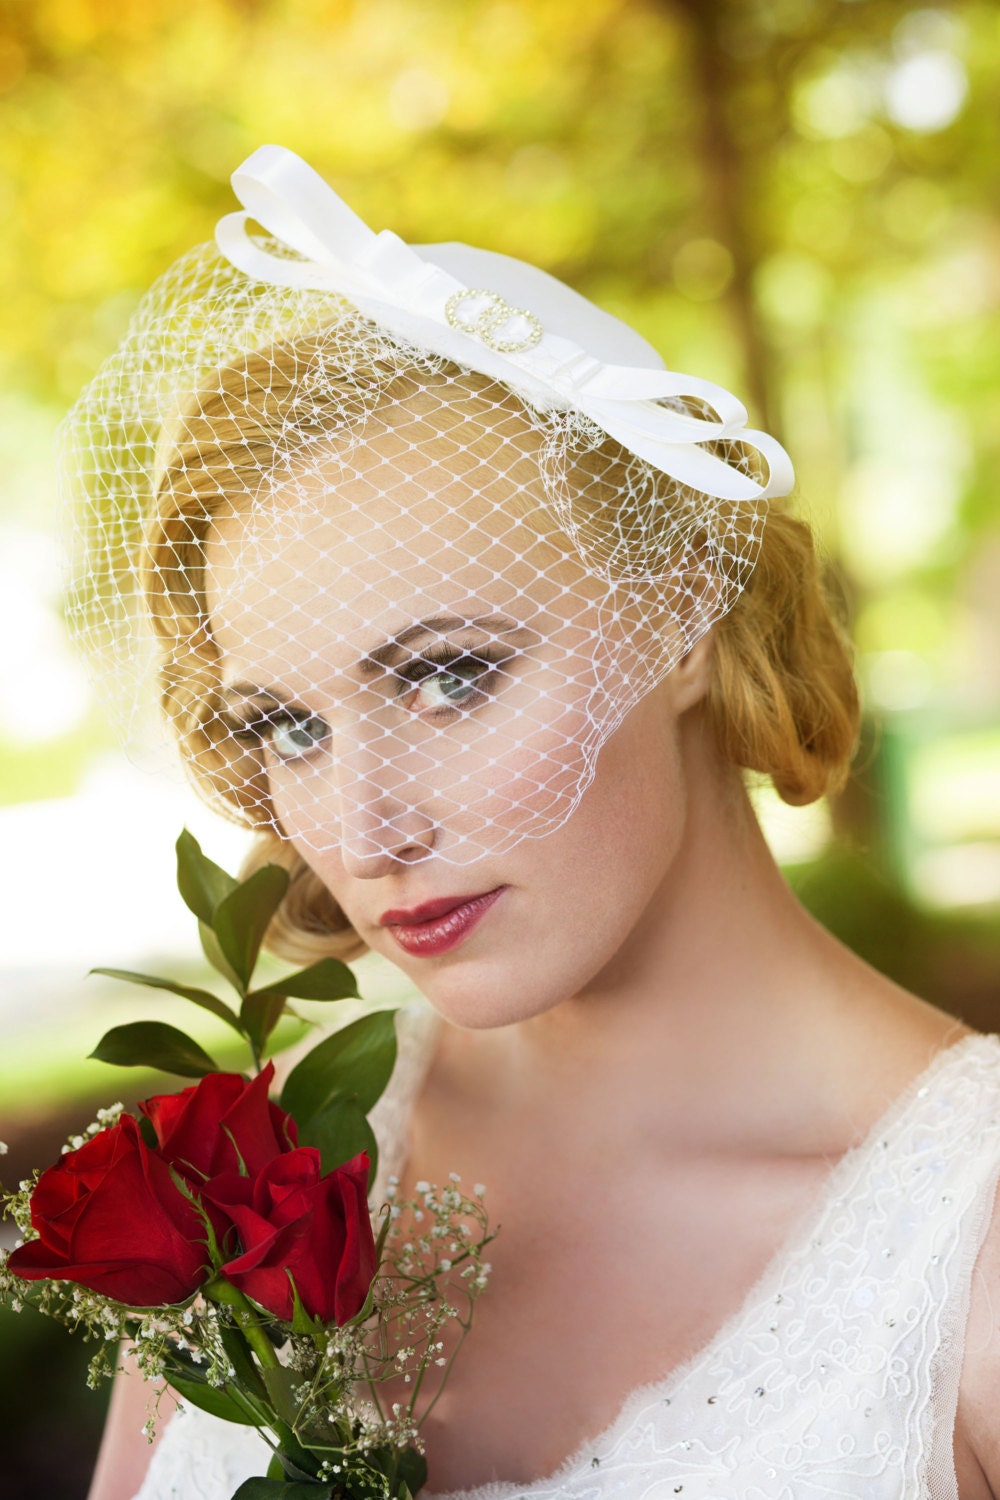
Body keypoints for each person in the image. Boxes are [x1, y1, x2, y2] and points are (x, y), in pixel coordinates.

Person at [74, 148, 1000, 1500]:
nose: (366, 826)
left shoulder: (970, 1249)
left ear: (682, 606)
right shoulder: (242, 1189)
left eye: (449, 674)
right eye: (290, 726)